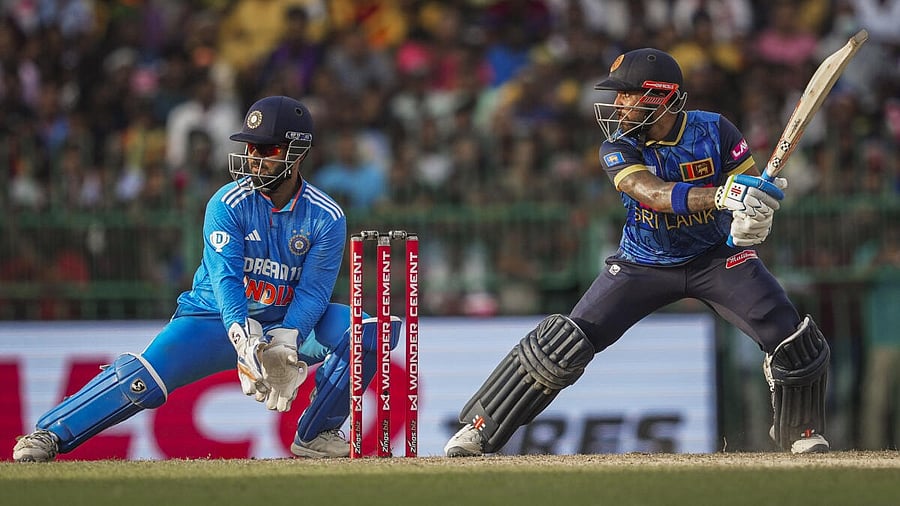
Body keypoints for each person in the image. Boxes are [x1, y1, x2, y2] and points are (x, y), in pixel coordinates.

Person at [443, 48, 831, 457]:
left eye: (628, 95)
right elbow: (652, 193)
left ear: (661, 97)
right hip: (643, 262)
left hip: (716, 256)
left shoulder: (716, 130)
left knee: (789, 333)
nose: (618, 104)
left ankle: (800, 430)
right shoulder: (617, 146)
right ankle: (479, 429)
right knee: (563, 343)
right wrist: (722, 196)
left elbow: (748, 187)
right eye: (618, 95)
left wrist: (756, 215)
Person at [13, 96, 401, 462]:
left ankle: (316, 434)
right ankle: (50, 433)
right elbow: (225, 279)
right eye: (251, 148)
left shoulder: (326, 216)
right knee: (143, 380)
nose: (254, 159)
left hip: (285, 321)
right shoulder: (226, 203)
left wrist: (287, 339)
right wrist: (243, 338)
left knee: (373, 330)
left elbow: (315, 290)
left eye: (267, 150)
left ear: (297, 153)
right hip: (213, 318)